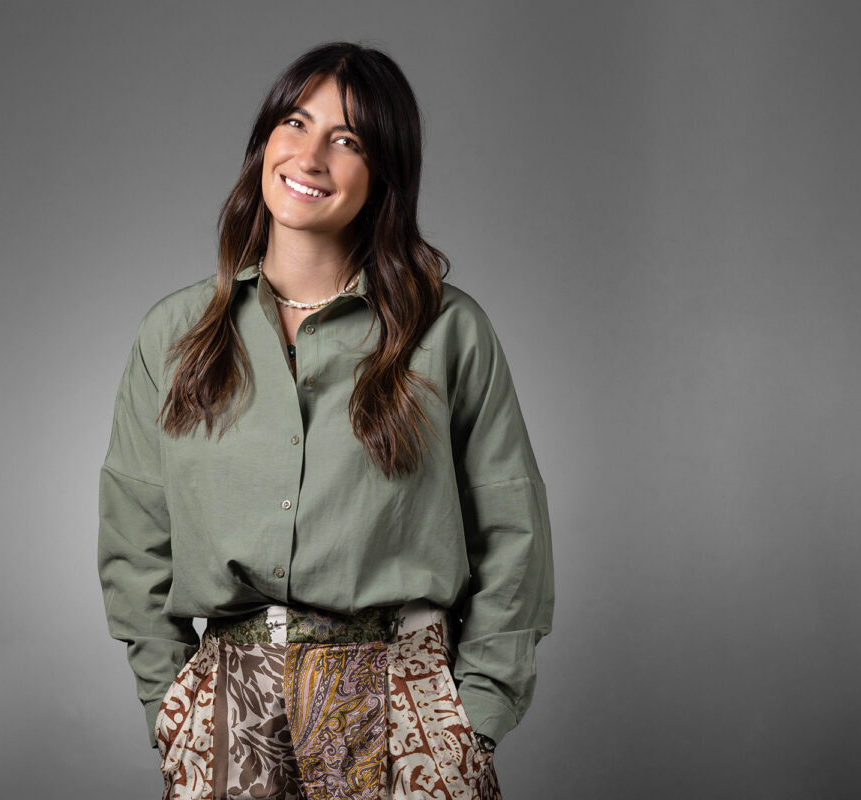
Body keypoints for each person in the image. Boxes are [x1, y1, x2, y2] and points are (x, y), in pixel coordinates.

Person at [98, 41, 553, 800]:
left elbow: (513, 531)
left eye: (347, 140)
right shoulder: (173, 334)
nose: (310, 156)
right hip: (226, 703)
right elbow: (133, 534)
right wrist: (171, 707)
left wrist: (471, 720)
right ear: (265, 141)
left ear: (383, 176)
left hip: (402, 703)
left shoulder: (448, 333)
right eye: (295, 123)